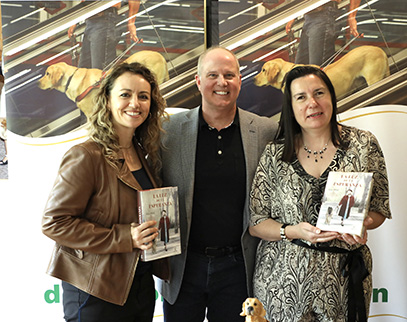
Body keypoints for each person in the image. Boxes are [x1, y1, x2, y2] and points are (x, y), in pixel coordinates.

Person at [249, 65, 391, 321]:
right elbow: (257, 223)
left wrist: (362, 222)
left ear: (332, 97)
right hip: (281, 286)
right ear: (290, 106)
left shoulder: (363, 144)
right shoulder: (275, 153)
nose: (312, 103)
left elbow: (380, 207)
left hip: (344, 282)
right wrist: (292, 231)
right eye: (301, 97)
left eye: (319, 93)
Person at [42, 62, 168, 322]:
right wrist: (125, 237)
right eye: (125, 94)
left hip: (138, 285)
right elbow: (54, 223)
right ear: (107, 100)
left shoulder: (143, 154)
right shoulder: (86, 155)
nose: (135, 103)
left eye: (143, 96)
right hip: (95, 289)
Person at [159, 46, 278, 322]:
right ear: (198, 82)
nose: (222, 82)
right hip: (183, 267)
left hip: (238, 267)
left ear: (239, 81)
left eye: (229, 75)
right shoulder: (168, 131)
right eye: (213, 75)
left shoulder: (265, 131)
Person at [68, 0, 142, 70]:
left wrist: (131, 22)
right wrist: (75, 21)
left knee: (99, 71)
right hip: (90, 21)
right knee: (84, 70)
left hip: (105, 19)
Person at [286, 0, 361, 66]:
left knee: (316, 70)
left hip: (324, 13)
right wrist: (293, 16)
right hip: (309, 15)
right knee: (300, 68)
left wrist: (352, 16)